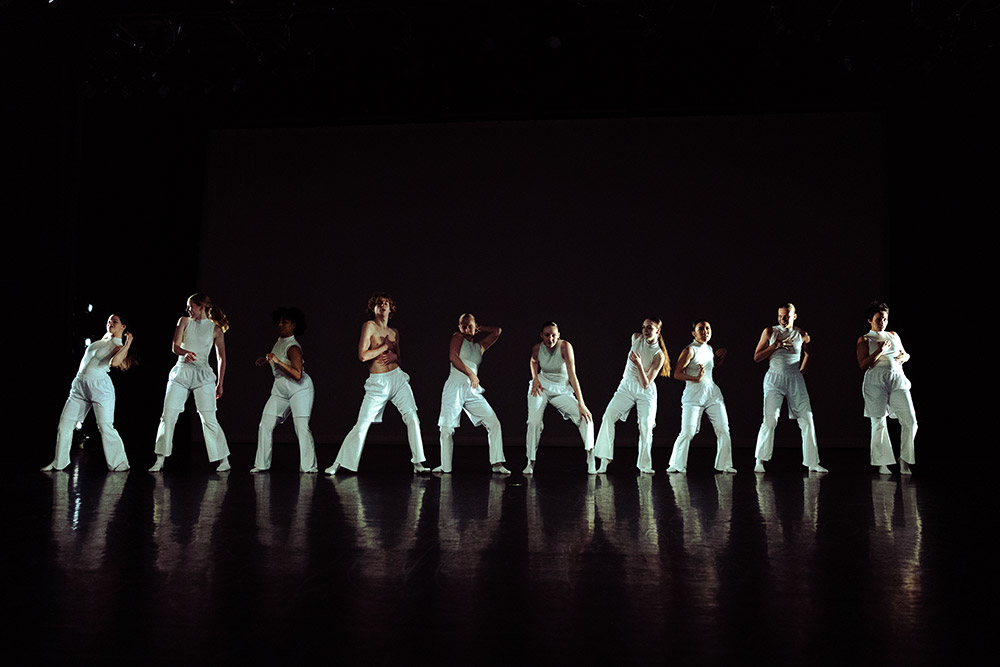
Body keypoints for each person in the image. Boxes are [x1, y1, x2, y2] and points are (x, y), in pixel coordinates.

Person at [325, 293, 429, 474]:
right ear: (373, 308)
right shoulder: (369, 326)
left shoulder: (394, 332)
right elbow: (363, 356)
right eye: (379, 303)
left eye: (386, 304)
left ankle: (418, 463)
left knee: (412, 417)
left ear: (391, 309)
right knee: (363, 423)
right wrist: (383, 347)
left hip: (397, 379)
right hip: (378, 384)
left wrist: (394, 355)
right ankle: (338, 463)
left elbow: (400, 358)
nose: (382, 306)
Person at [43, 313, 136, 472]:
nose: (110, 323)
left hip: (100, 388)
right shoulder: (104, 340)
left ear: (123, 327)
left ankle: (120, 463)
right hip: (79, 385)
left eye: (115, 321)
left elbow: (114, 363)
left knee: (105, 426)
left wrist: (128, 343)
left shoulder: (118, 346)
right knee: (64, 424)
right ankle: (60, 462)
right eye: (109, 321)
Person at [149, 293, 231, 472]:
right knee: (168, 415)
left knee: (208, 418)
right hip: (182, 372)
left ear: (201, 307)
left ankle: (223, 459)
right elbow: (175, 346)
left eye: (191, 306)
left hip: (203, 375)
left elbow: (221, 358)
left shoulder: (215, 329)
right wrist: (184, 353)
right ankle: (160, 458)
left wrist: (220, 383)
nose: (188, 309)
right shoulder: (184, 321)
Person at [752, 303, 828, 473]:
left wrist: (800, 372)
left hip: (794, 378)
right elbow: (756, 357)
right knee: (770, 420)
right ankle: (760, 461)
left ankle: (812, 462)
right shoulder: (770, 332)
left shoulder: (802, 334)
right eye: (780, 316)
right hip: (774, 378)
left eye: (786, 316)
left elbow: (808, 353)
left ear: (794, 316)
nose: (783, 319)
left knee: (807, 419)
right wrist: (775, 346)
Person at [594, 318, 670, 475]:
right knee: (608, 416)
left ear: (658, 331)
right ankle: (604, 461)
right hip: (626, 387)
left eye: (649, 328)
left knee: (646, 426)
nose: (645, 330)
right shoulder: (635, 338)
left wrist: (639, 365)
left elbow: (645, 383)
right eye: (643, 327)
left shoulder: (659, 355)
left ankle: (645, 465)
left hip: (645, 390)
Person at [434, 313, 508, 474]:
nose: (467, 329)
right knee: (447, 428)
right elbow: (453, 357)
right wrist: (471, 374)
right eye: (463, 326)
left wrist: (480, 328)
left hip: (472, 389)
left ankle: (497, 464)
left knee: (493, 423)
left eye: (470, 326)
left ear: (476, 326)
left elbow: (497, 331)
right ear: (459, 327)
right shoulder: (457, 337)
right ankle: (445, 467)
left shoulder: (479, 347)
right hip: (455, 386)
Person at [251, 307, 318, 473]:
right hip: (281, 389)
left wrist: (278, 362)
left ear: (293, 325)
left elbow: (297, 374)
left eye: (285, 322)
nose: (280, 325)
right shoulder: (280, 341)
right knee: (265, 424)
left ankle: (309, 467)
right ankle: (261, 465)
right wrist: (266, 361)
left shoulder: (293, 347)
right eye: (279, 322)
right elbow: (278, 360)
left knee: (301, 427)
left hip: (300, 389)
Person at [524, 321, 595, 474]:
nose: (550, 339)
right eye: (547, 335)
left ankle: (591, 456)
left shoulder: (565, 347)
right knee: (533, 422)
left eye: (554, 335)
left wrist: (581, 403)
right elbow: (533, 361)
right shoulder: (537, 348)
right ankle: (530, 461)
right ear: (541, 335)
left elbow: (572, 374)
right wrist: (535, 379)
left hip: (561, 388)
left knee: (586, 418)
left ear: (559, 335)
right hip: (541, 386)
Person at [666, 320, 737, 474]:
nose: (705, 331)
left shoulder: (709, 348)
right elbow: (677, 374)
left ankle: (725, 465)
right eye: (701, 329)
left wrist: (721, 356)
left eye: (707, 328)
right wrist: (695, 379)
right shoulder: (689, 350)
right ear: (694, 333)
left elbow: (710, 367)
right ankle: (676, 464)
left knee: (724, 429)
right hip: (693, 395)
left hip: (712, 393)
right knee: (688, 432)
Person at [857, 301, 916, 475]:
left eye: (885, 319)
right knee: (878, 421)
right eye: (878, 319)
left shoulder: (893, 335)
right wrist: (880, 351)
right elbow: (862, 364)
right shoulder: (865, 339)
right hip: (876, 380)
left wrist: (905, 356)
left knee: (910, 420)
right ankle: (882, 462)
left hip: (897, 378)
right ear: (870, 320)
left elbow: (905, 354)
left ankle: (905, 459)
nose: (882, 322)